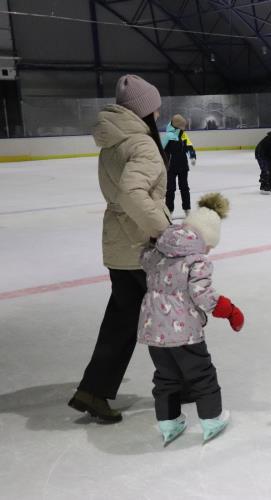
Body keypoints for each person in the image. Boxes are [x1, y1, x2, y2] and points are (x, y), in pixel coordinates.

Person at [68, 74, 171, 423]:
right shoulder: (142, 145)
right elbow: (131, 193)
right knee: (167, 314)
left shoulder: (112, 141)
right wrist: (162, 231)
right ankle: (180, 382)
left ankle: (92, 390)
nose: (158, 114)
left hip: (118, 243)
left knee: (122, 320)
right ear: (144, 110)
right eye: (155, 108)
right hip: (141, 246)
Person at [138, 193, 245, 444]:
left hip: (154, 329)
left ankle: (168, 421)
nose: (209, 251)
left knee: (165, 376)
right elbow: (202, 295)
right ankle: (211, 418)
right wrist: (229, 310)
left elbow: (143, 259)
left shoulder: (159, 251)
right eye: (210, 245)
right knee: (202, 374)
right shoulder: (197, 260)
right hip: (184, 331)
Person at [163, 114, 197, 217]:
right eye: (182, 126)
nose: (184, 128)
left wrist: (192, 156)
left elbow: (189, 146)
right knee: (170, 189)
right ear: (177, 125)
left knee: (184, 188)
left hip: (183, 166)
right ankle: (169, 211)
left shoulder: (183, 135)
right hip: (171, 167)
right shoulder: (168, 136)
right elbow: (161, 151)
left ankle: (187, 209)